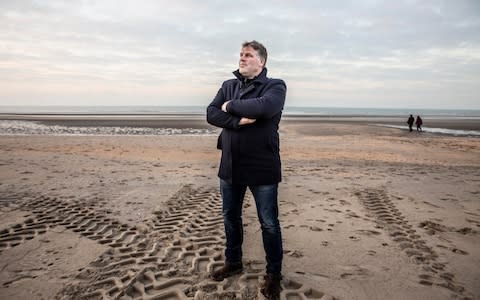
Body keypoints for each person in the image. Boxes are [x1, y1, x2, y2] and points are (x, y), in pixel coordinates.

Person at [206, 40, 286, 299]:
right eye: (241, 54)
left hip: (262, 165)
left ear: (261, 61)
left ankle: (274, 274)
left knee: (269, 223)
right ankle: (234, 261)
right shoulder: (228, 85)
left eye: (248, 55)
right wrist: (238, 120)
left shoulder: (275, 86)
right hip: (230, 164)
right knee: (230, 217)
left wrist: (228, 106)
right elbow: (210, 113)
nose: (242, 58)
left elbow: (263, 108)